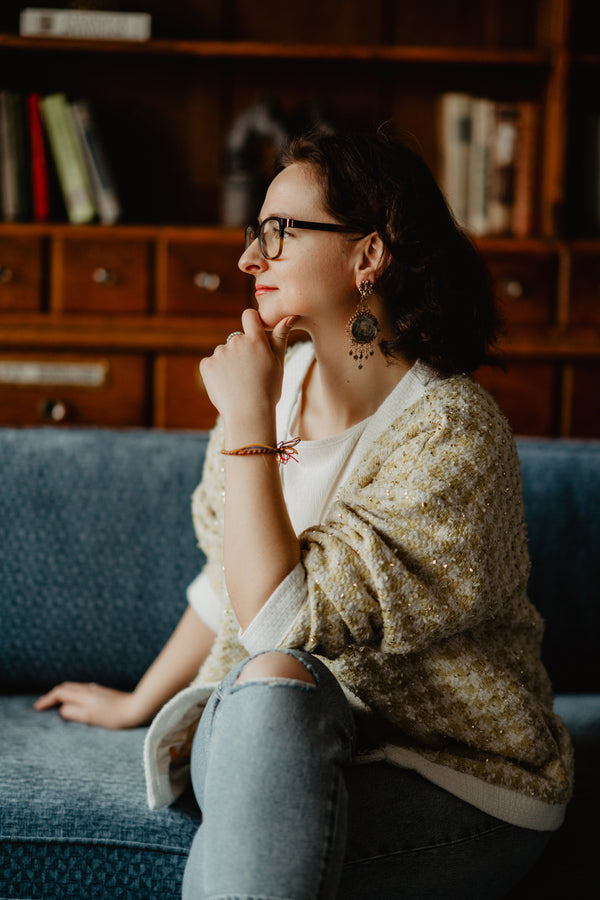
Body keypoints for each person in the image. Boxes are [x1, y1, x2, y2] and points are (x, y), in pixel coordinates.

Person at [35, 129, 573, 900]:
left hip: (450, 775)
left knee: (279, 672)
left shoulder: (453, 431)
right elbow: (231, 575)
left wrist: (249, 424)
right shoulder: (268, 390)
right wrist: (139, 701)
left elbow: (277, 623)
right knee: (274, 689)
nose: (250, 259)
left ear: (368, 257)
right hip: (272, 733)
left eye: (279, 232)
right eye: (254, 234)